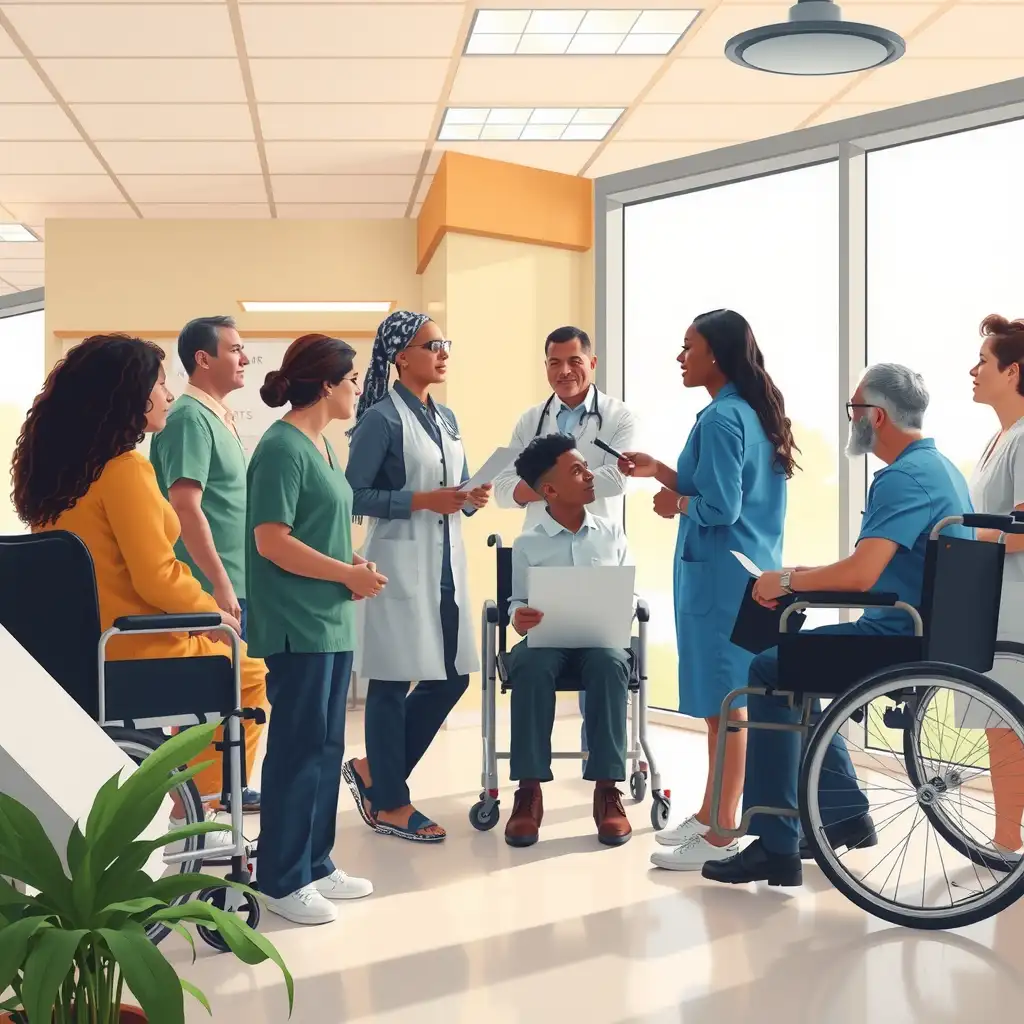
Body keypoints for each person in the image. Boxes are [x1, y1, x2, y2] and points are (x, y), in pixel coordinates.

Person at [702, 363, 972, 888]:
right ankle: (845, 814)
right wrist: (797, 577)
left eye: (854, 411)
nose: (852, 421)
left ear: (876, 416)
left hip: (899, 638)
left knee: (768, 667)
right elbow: (872, 569)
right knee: (799, 665)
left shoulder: (902, 479)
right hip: (925, 631)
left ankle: (774, 844)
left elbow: (863, 573)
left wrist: (788, 582)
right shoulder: (941, 469)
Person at [10, 334, 267, 848]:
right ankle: (199, 808)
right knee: (249, 674)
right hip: (133, 648)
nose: (168, 393)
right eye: (158, 383)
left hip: (80, 649)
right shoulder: (126, 469)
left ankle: (182, 790)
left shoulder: (58, 477)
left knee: (222, 660)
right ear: (127, 396)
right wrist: (216, 615)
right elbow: (157, 575)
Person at [618, 309, 795, 871]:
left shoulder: (721, 420)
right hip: (740, 575)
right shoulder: (740, 413)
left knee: (727, 709)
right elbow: (726, 490)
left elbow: (722, 506)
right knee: (725, 707)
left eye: (687, 347)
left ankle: (720, 830)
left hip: (724, 582)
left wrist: (677, 502)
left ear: (715, 354)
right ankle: (710, 811)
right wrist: (664, 473)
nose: (679, 357)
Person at [246, 333, 386, 925]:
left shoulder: (324, 447)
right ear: (326, 385)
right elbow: (271, 541)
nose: (357, 389)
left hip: (330, 619)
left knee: (328, 747)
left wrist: (351, 565)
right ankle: (279, 879)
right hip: (296, 623)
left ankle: (316, 862)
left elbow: (315, 530)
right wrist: (344, 575)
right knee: (298, 750)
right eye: (351, 380)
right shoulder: (280, 448)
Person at [342, 311, 491, 842]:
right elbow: (352, 494)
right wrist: (421, 500)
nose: (443, 352)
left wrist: (472, 496)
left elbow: (456, 486)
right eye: (432, 345)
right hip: (397, 563)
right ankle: (391, 803)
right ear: (401, 356)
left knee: (453, 676)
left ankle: (375, 773)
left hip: (446, 565)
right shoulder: (380, 419)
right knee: (390, 679)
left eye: (445, 344)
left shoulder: (446, 418)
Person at [493, 326, 638, 761]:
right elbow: (502, 489)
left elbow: (618, 478)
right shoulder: (530, 420)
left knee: (605, 662)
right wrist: (553, 487)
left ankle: (603, 773)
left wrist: (556, 480)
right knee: (539, 660)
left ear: (592, 363)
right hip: (545, 553)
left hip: (597, 551)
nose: (565, 371)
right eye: (555, 362)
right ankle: (530, 786)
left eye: (575, 360)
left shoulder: (617, 416)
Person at [150, 314, 260, 814]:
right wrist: (218, 585)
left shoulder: (217, 416)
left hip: (236, 581)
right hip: (207, 590)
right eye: (235, 350)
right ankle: (199, 808)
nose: (244, 359)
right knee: (219, 700)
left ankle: (219, 796)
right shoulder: (188, 419)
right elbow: (185, 507)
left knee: (236, 697)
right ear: (203, 357)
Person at [502, 433, 633, 848]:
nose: (590, 475)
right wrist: (516, 616)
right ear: (550, 491)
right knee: (529, 664)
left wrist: (619, 608)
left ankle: (608, 790)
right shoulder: (527, 544)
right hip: (547, 641)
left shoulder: (612, 534)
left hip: (600, 640)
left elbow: (628, 593)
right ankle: (528, 791)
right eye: (578, 471)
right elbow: (516, 601)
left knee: (611, 662)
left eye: (586, 467)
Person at [965, 313, 1024, 859]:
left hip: (1018, 600)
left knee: (1008, 723)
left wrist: (973, 541)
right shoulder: (999, 437)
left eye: (984, 361)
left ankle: (1007, 843)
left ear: (1014, 371)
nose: (973, 370)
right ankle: (1007, 840)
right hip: (998, 597)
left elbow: (1023, 527)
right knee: (1000, 723)